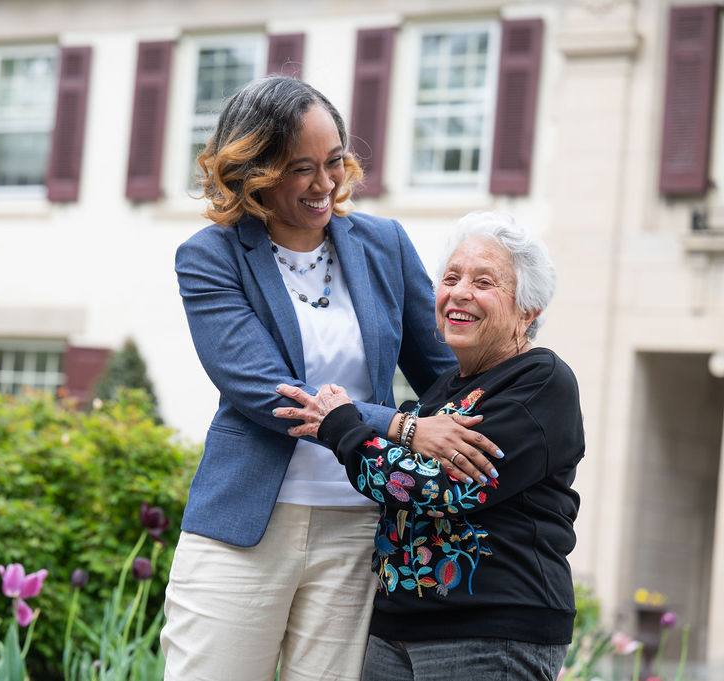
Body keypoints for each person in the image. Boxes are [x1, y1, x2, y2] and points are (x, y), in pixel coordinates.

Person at [162, 75, 501, 681]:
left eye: (335, 161)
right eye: (301, 168)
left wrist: (518, 401)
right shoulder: (209, 256)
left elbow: (448, 375)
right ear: (254, 170)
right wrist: (402, 427)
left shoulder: (383, 244)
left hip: (356, 526)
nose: (326, 184)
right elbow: (271, 394)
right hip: (244, 530)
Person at [274, 210, 583, 681]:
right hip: (396, 626)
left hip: (491, 631)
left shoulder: (540, 381)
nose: (459, 292)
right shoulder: (442, 391)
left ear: (528, 310)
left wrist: (343, 428)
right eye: (451, 277)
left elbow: (443, 490)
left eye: (484, 282)